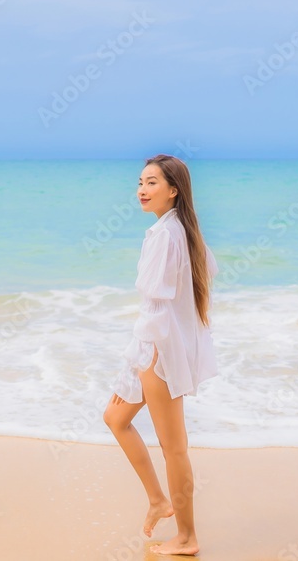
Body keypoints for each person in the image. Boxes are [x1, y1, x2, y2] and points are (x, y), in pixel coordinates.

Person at [103, 153, 219, 557]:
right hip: (160, 347)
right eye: (140, 182)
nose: (141, 190)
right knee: (115, 418)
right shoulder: (181, 231)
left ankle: (187, 536)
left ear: (174, 190)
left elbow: (154, 308)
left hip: (158, 353)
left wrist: (135, 363)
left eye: (152, 183)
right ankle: (158, 500)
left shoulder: (165, 236)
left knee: (174, 448)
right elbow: (207, 274)